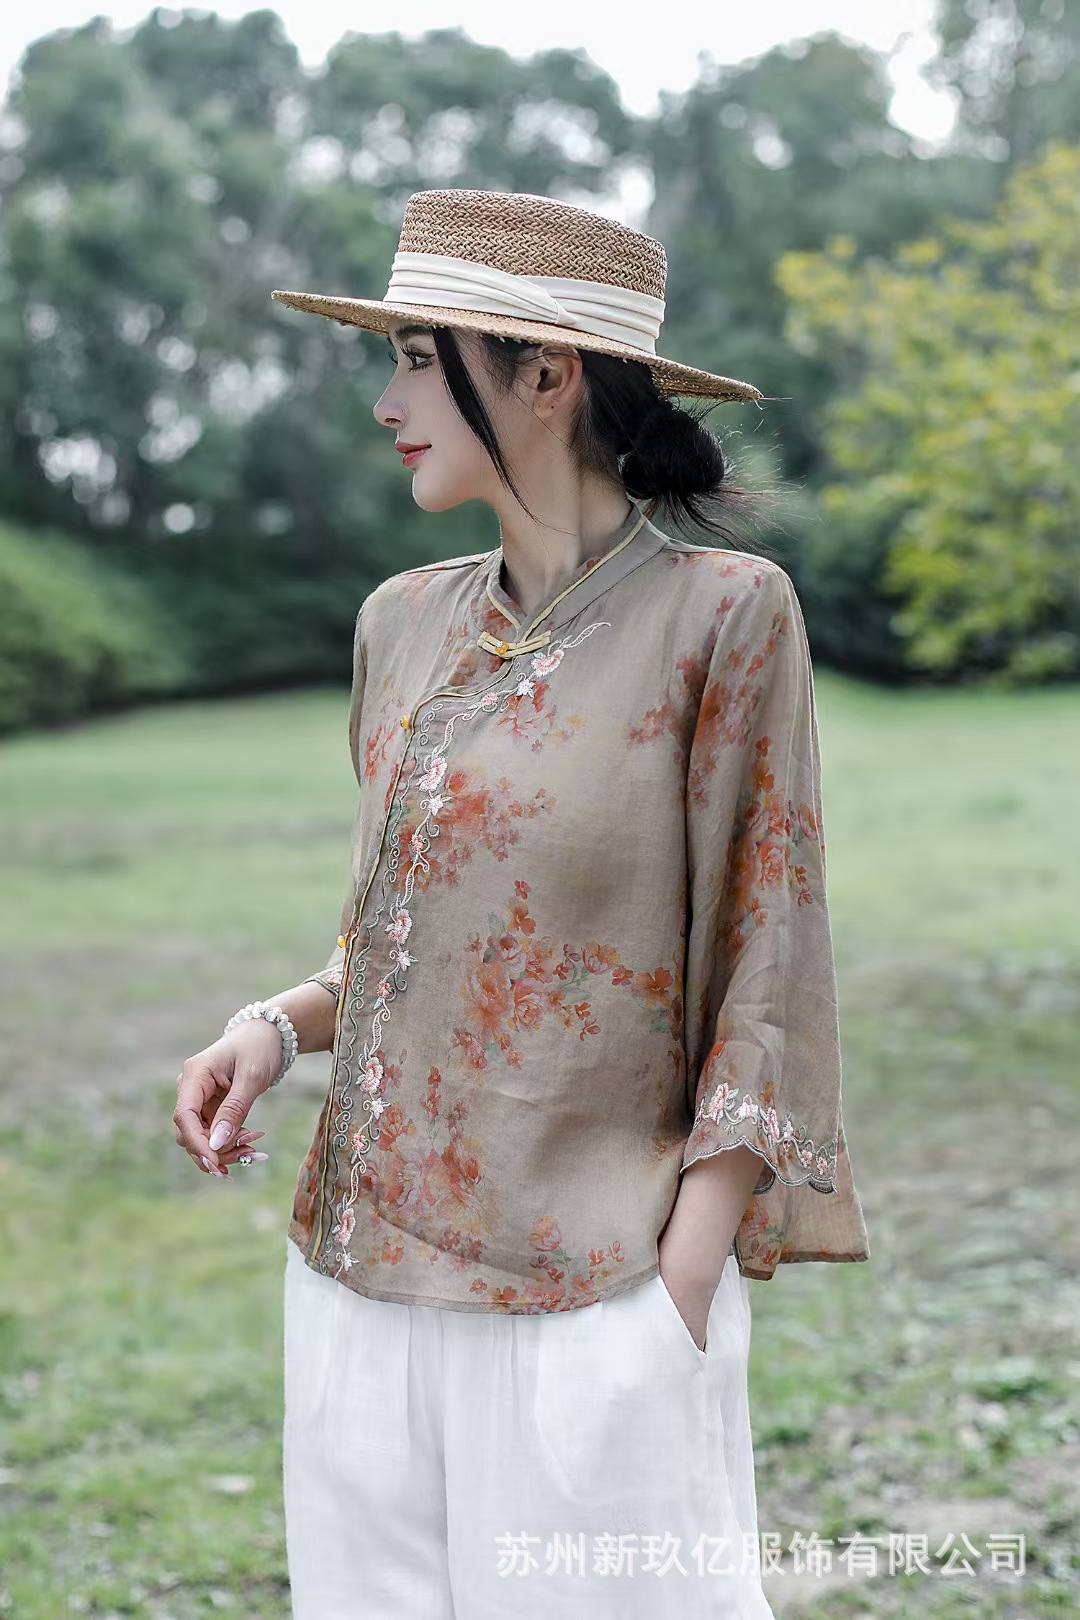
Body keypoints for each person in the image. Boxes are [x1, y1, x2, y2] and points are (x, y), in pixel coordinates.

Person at [173, 187, 870, 1619]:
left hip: (596, 1292)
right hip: (358, 1276)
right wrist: (275, 1027)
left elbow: (771, 967)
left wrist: (676, 1293)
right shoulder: (399, 623)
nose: (386, 403)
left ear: (546, 376)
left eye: (416, 360)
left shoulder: (726, 614)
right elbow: (406, 936)